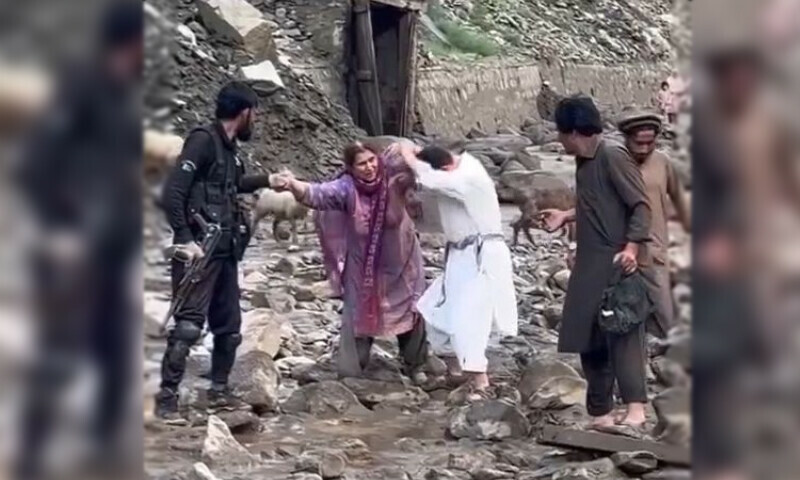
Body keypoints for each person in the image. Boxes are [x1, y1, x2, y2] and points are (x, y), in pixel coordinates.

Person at [14, 2, 143, 477]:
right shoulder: (78, 90)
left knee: (115, 359)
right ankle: (30, 458)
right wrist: (59, 231)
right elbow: (34, 167)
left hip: (110, 250)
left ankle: (103, 454)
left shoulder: (120, 97)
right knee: (57, 359)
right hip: (71, 251)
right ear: (131, 42)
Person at [155, 81, 274, 421]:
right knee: (188, 327)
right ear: (244, 112)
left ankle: (219, 391)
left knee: (230, 327)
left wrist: (268, 180)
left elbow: (233, 184)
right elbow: (173, 193)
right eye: (255, 113)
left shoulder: (231, 150)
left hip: (226, 251)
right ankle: (167, 399)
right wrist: (184, 237)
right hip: (199, 251)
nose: (257, 119)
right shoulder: (203, 141)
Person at [272, 141, 428, 381]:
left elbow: (414, 160)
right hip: (363, 272)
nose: (368, 167)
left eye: (371, 160)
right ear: (351, 168)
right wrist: (292, 185)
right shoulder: (346, 189)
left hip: (402, 265)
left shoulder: (394, 177)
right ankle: (354, 370)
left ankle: (416, 364)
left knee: (411, 311)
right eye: (361, 164)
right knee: (358, 318)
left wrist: (414, 152)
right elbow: (317, 194)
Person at [540, 96, 652, 429]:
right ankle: (600, 412)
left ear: (574, 132)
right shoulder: (584, 161)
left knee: (622, 333)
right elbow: (599, 204)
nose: (558, 141)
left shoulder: (613, 156)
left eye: (560, 133)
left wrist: (632, 249)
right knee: (586, 335)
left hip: (616, 259)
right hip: (589, 261)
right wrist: (566, 216)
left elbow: (640, 206)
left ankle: (636, 410)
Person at [392, 143, 518, 399]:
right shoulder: (453, 179)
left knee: (470, 317)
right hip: (460, 256)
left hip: (481, 256)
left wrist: (409, 157)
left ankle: (480, 383)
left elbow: (437, 181)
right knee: (435, 308)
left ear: (448, 166)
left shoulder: (470, 174)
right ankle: (457, 370)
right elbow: (438, 215)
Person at [618, 110, 690, 338]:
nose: (644, 149)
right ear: (627, 139)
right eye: (639, 143)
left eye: (650, 143)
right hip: (620, 251)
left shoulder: (662, 162)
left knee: (665, 311)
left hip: (654, 251)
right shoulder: (614, 162)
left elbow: (680, 198)